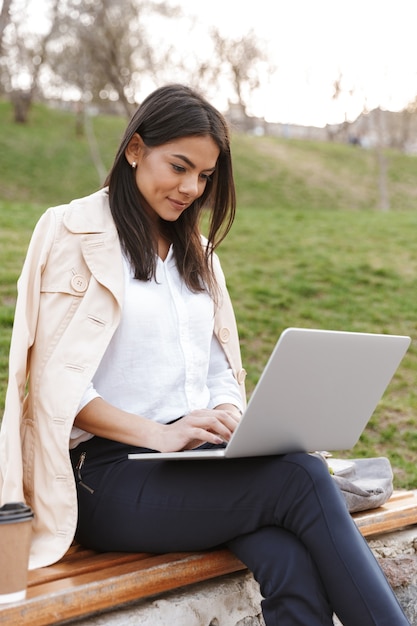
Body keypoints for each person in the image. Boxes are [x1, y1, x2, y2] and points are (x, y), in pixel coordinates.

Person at [0, 84, 410, 626]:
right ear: (134, 149)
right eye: (179, 166)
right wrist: (158, 434)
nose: (192, 187)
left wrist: (232, 422)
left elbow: (221, 369)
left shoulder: (200, 256)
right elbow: (56, 387)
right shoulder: (69, 231)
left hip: (192, 465)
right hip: (104, 476)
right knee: (302, 477)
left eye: (205, 176)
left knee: (289, 560)